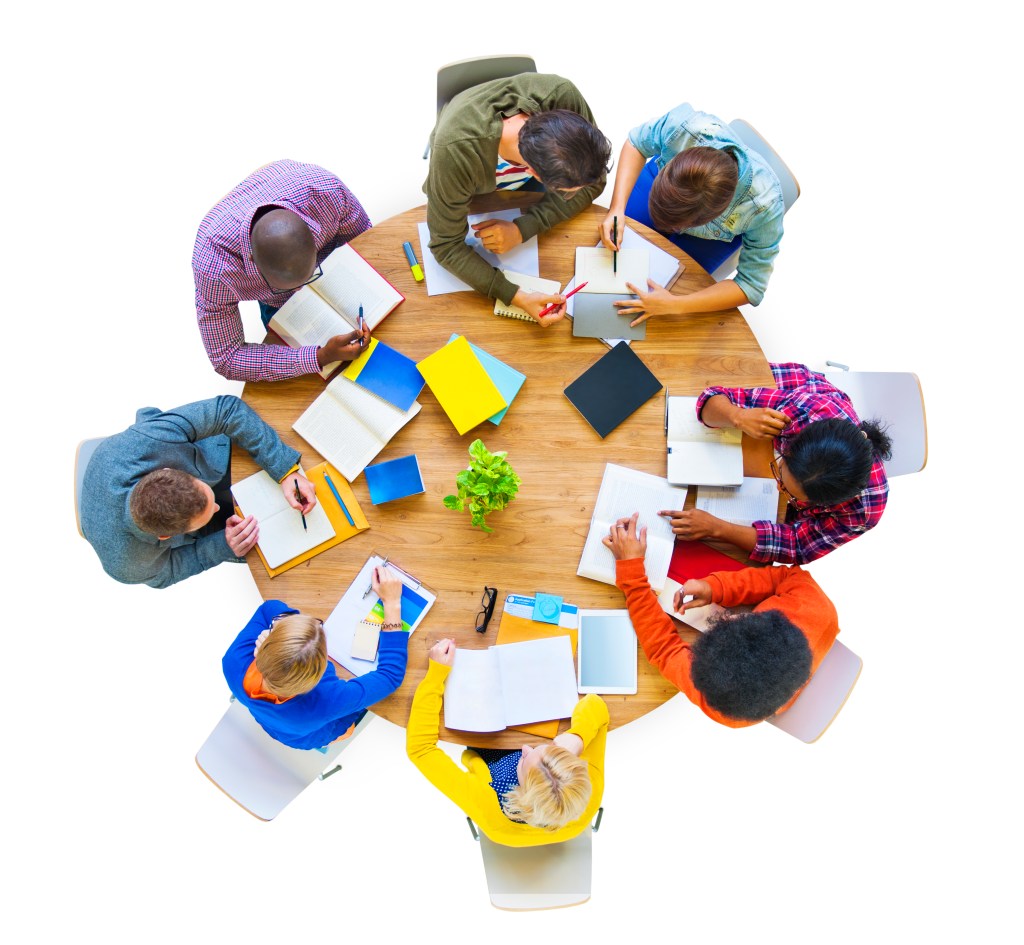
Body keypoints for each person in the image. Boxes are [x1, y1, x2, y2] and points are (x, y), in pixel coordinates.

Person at [605, 513, 839, 727]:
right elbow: (784, 576)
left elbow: (664, 650)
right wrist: (716, 588)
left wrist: (632, 573)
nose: (728, 615)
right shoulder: (816, 606)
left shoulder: (722, 699)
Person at [424, 73, 611, 326]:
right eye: (569, 192)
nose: (575, 193)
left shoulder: (564, 96)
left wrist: (523, 229)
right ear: (533, 173)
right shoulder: (455, 153)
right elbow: (445, 247)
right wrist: (516, 296)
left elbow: (596, 182)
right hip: (469, 179)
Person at [660, 363, 892, 564]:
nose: (778, 485)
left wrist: (717, 529)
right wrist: (738, 416)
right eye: (780, 471)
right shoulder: (803, 411)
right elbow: (712, 395)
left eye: (789, 493)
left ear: (825, 503)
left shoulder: (864, 511)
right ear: (792, 443)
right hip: (794, 389)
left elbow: (797, 546)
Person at [80, 395, 315, 589]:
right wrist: (223, 545)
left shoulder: (150, 439)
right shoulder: (127, 565)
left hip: (210, 460)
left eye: (209, 501)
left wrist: (285, 470)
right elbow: (167, 572)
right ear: (165, 537)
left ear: (167, 469)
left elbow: (227, 410)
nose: (217, 508)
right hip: (205, 533)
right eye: (210, 510)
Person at [407, 639, 608, 846]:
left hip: (485, 743)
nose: (525, 747)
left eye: (524, 760)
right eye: (547, 749)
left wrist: (436, 675)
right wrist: (578, 737)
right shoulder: (586, 787)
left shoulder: (485, 804)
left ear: (523, 794)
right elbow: (595, 704)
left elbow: (420, 750)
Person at [598, 103, 785, 326]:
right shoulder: (683, 127)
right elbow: (636, 143)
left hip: (715, 238)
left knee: (676, 289)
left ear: (705, 220)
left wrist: (675, 304)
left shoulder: (766, 206)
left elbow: (751, 285)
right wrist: (617, 208)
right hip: (670, 192)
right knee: (610, 243)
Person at [193, 159, 372, 382]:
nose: (302, 291)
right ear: (253, 261)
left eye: (308, 274)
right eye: (285, 286)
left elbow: (366, 245)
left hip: (335, 271)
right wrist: (320, 357)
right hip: (280, 307)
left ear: (312, 232)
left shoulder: (328, 194)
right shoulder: (214, 268)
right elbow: (226, 357)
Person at [222, 566, 408, 749]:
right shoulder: (326, 700)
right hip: (316, 731)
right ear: (321, 673)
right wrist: (392, 604)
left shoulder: (233, 662)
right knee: (349, 722)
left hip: (282, 727)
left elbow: (267, 608)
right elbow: (390, 675)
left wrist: (281, 629)